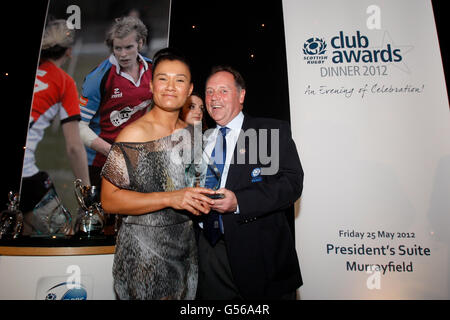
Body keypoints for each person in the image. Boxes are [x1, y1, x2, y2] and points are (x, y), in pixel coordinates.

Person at [100, 48, 216, 300]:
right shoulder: (134, 135)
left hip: (186, 250)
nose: (171, 86)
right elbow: (109, 200)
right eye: (163, 78)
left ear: (189, 89)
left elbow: (192, 187)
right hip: (144, 256)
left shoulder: (194, 135)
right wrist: (169, 198)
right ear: (151, 85)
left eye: (180, 80)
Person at [196, 65, 304, 300]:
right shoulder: (200, 140)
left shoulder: (270, 131)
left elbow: (291, 183)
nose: (214, 98)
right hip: (210, 252)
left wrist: (239, 202)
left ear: (241, 95)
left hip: (261, 256)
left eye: (223, 91)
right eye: (209, 92)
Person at [20, 19, 90, 215]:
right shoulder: (64, 82)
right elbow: (75, 147)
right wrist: (87, 193)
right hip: (24, 172)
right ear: (69, 51)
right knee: (60, 232)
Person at [79, 16, 152, 188]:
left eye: (128, 47)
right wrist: (112, 153)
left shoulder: (153, 69)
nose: (123, 54)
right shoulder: (99, 77)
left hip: (135, 159)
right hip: (98, 163)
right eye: (117, 48)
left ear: (140, 44)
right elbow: (78, 126)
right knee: (99, 214)